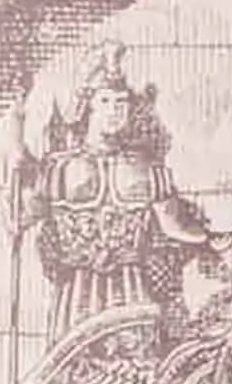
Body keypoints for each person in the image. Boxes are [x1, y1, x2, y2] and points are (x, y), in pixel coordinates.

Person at [19, 49, 215, 346]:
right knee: (77, 366)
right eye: (105, 101)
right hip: (77, 297)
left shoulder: (148, 169)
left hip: (132, 291)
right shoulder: (58, 169)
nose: (114, 111)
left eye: (121, 103)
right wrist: (15, 149)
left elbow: (174, 227)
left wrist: (210, 238)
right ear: (88, 106)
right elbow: (20, 219)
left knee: (136, 365)